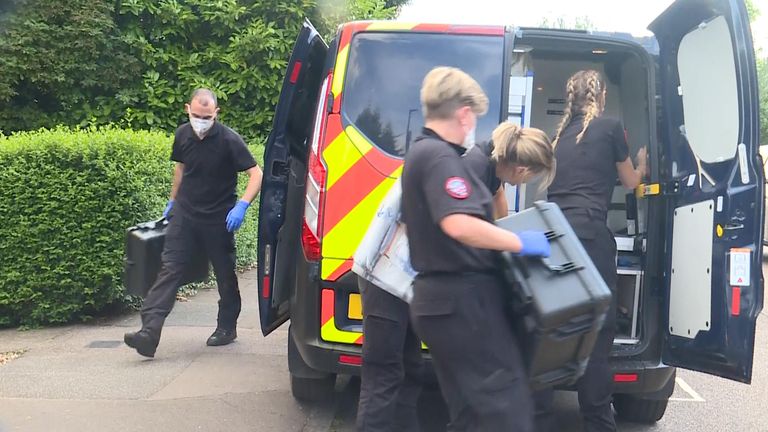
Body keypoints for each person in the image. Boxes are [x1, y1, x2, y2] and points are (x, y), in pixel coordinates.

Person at [401, 66, 556, 432]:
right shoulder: (442, 158)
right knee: (506, 408)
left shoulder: (426, 153)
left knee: (470, 414)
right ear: (464, 112)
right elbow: (458, 223)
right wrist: (520, 242)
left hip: (442, 302)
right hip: (460, 304)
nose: (474, 127)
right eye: (474, 117)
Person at [353, 139, 509, 432]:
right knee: (382, 376)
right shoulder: (469, 168)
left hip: (406, 282)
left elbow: (497, 204)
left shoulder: (486, 166)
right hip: (386, 275)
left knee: (409, 371)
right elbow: (454, 232)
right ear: (518, 164)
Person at [539, 70, 647, 432]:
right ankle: (598, 423)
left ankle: (536, 418)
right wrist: (643, 165)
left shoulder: (559, 138)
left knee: (556, 331)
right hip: (590, 237)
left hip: (555, 238)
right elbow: (631, 182)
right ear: (600, 97)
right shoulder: (611, 127)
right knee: (597, 337)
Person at [124, 88, 263, 358]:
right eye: (197, 115)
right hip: (185, 215)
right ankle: (149, 333)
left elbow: (256, 174)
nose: (201, 121)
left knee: (224, 273)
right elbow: (181, 168)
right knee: (170, 269)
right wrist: (173, 202)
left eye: (207, 116)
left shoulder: (229, 140)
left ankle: (226, 327)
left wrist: (242, 205)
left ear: (216, 114)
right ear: (188, 109)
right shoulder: (182, 135)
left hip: (218, 218)